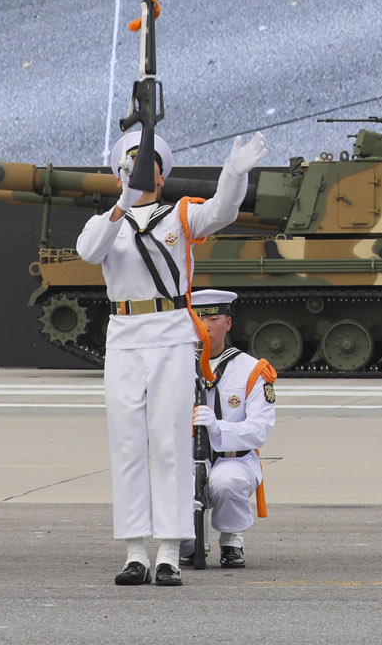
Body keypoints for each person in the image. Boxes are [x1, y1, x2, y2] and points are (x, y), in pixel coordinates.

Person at [77, 129, 265, 585]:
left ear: (161, 177)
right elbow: (88, 252)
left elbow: (221, 211)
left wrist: (233, 174)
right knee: (127, 444)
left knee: (170, 442)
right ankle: (134, 550)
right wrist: (120, 205)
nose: (138, 176)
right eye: (129, 168)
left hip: (170, 333)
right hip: (124, 334)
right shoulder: (107, 221)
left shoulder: (178, 215)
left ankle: (167, 550)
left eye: (145, 169)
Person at [183, 288, 277, 569]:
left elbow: (260, 428)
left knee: (226, 482)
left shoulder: (252, 370)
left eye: (212, 318)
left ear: (228, 323)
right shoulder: (173, 367)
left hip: (233, 458)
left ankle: (231, 539)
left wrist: (218, 428)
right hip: (186, 457)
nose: (204, 326)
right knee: (176, 485)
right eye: (196, 318)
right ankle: (188, 543)